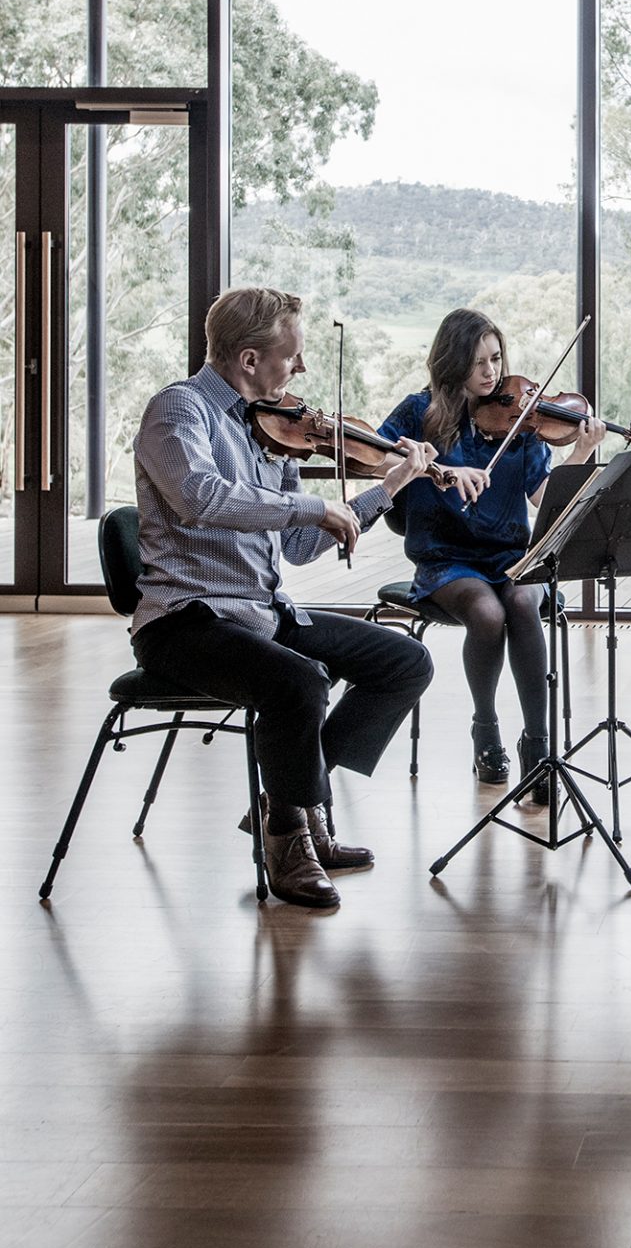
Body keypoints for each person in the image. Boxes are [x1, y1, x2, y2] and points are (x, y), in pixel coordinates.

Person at [131, 285, 486, 911]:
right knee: (299, 683)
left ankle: (287, 799)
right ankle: (289, 837)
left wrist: (389, 486)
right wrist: (313, 504)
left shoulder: (275, 432)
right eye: (292, 356)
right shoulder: (179, 412)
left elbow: (297, 546)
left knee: (405, 662)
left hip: (261, 613)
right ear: (247, 360)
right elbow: (198, 496)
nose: (301, 370)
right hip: (185, 622)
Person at [379, 309, 605, 793]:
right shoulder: (420, 412)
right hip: (446, 558)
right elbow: (376, 456)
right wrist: (431, 469)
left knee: (522, 601)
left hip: (510, 557)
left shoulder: (521, 417)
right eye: (478, 361)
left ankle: (538, 747)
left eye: (497, 359)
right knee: (486, 613)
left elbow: (544, 496)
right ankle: (486, 730)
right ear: (452, 362)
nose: (491, 372)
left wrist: (580, 455)